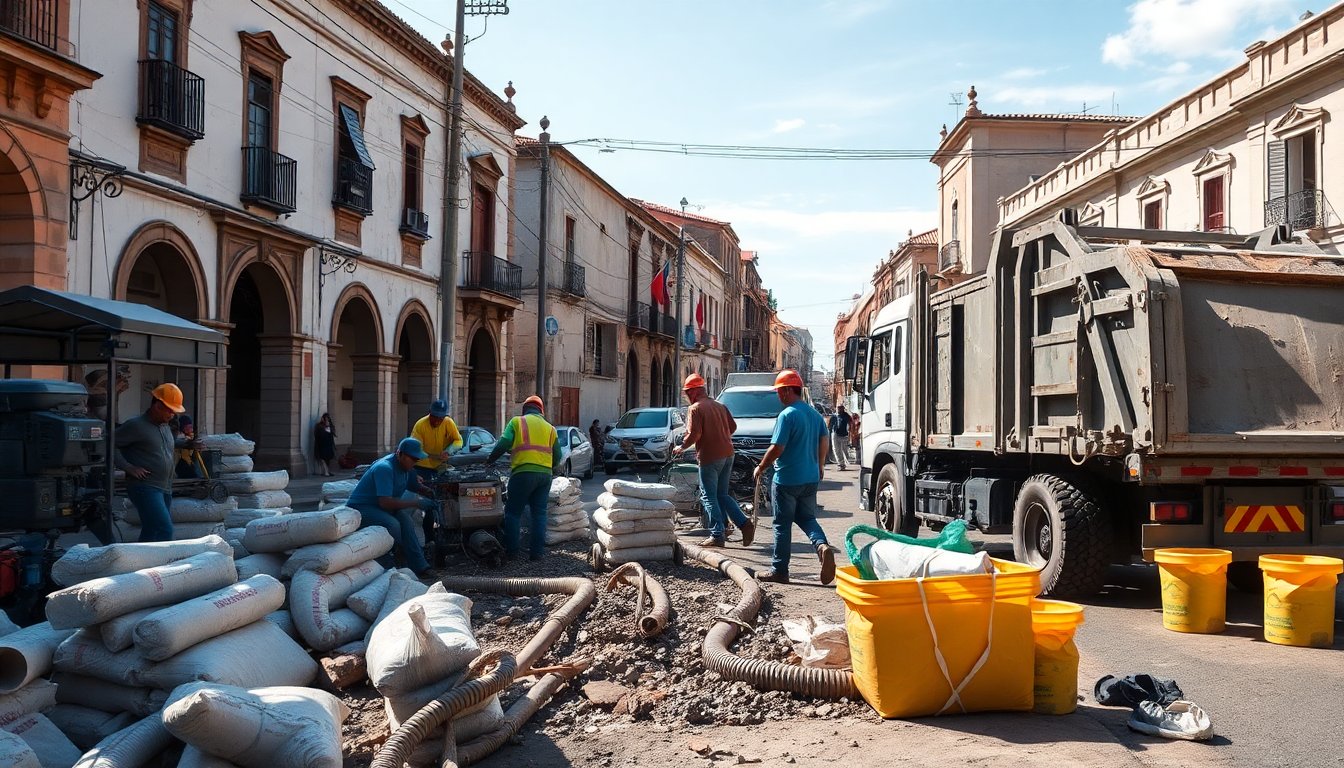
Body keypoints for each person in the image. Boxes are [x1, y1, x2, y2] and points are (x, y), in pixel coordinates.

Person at [752, 369, 838, 585]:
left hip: (787, 480)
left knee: (781, 524)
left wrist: (761, 466)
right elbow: (824, 441)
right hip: (810, 477)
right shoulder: (814, 414)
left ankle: (779, 570)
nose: (778, 395)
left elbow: (777, 447)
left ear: (789, 390)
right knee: (807, 518)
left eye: (780, 391)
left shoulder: (787, 414)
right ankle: (821, 546)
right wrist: (819, 465)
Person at [673, 373, 755, 549]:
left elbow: (695, 434)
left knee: (708, 496)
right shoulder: (720, 405)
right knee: (722, 495)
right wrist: (720, 435)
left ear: (694, 392)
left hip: (710, 456)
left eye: (687, 392)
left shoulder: (695, 408)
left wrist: (682, 447)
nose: (687, 396)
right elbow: (732, 427)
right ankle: (744, 523)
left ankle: (717, 534)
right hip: (728, 454)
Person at [114, 383, 197, 542]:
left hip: (164, 486)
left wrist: (188, 444)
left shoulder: (165, 426)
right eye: (170, 409)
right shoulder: (136, 425)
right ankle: (160, 565)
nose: (173, 414)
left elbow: (163, 445)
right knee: (163, 529)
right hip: (145, 487)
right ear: (158, 405)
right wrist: (128, 467)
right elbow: (109, 443)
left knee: (152, 530)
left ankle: (140, 563)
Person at [345, 437, 437, 578]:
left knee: (406, 523)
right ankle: (392, 560)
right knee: (392, 524)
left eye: (417, 459)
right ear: (400, 454)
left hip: (382, 507)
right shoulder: (385, 468)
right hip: (363, 507)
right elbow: (385, 502)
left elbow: (413, 484)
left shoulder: (407, 468)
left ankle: (420, 566)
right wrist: (416, 503)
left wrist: (426, 490)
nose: (415, 462)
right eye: (412, 458)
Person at [486, 395, 563, 561]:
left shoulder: (517, 422)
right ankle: (537, 554)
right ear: (541, 411)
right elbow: (558, 455)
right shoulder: (551, 428)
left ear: (525, 409)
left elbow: (504, 443)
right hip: (545, 476)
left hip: (523, 473)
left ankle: (512, 552)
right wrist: (549, 466)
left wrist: (490, 460)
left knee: (513, 513)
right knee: (540, 514)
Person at [411, 399, 464, 484]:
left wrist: (448, 451)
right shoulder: (420, 425)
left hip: (440, 467)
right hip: (421, 467)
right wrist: (435, 456)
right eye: (434, 417)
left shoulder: (448, 422)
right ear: (430, 413)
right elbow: (415, 449)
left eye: (440, 418)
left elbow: (459, 441)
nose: (437, 422)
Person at [172, 415, 200, 479]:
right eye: (188, 427)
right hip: (180, 465)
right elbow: (180, 443)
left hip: (189, 464)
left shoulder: (189, 437)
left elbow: (194, 457)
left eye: (191, 427)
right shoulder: (180, 437)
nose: (191, 429)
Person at [827, 405, 851, 471]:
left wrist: (850, 434)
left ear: (843, 409)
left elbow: (850, 424)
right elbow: (829, 425)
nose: (839, 410)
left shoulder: (846, 416)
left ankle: (846, 460)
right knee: (836, 449)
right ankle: (841, 464)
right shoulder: (834, 416)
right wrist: (829, 431)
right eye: (838, 408)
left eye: (840, 408)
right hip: (834, 433)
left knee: (844, 449)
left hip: (844, 434)